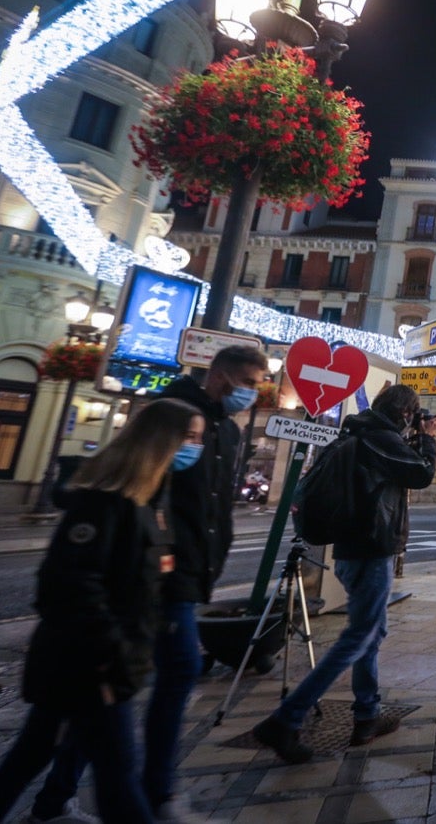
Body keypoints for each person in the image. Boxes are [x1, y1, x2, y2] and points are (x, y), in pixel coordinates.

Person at [0, 400, 201, 824]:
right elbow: (69, 586)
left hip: (94, 664)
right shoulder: (104, 502)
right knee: (118, 777)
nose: (195, 447)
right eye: (190, 437)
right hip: (90, 668)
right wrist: (110, 656)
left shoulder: (147, 500)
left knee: (25, 763)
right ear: (162, 441)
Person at [252, 383, 436, 762]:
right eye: (414, 415)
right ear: (405, 414)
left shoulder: (355, 432)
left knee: (370, 631)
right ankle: (287, 719)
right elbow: (421, 474)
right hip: (370, 549)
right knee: (358, 637)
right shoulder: (380, 438)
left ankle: (367, 714)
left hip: (352, 550)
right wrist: (428, 439)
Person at [138, 344, 267, 816]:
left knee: (112, 689)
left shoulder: (227, 431)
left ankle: (59, 794)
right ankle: (158, 792)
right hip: (159, 568)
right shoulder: (173, 414)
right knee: (176, 670)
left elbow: (216, 501)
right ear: (221, 379)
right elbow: (140, 485)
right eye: (250, 384)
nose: (253, 394)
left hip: (191, 568)